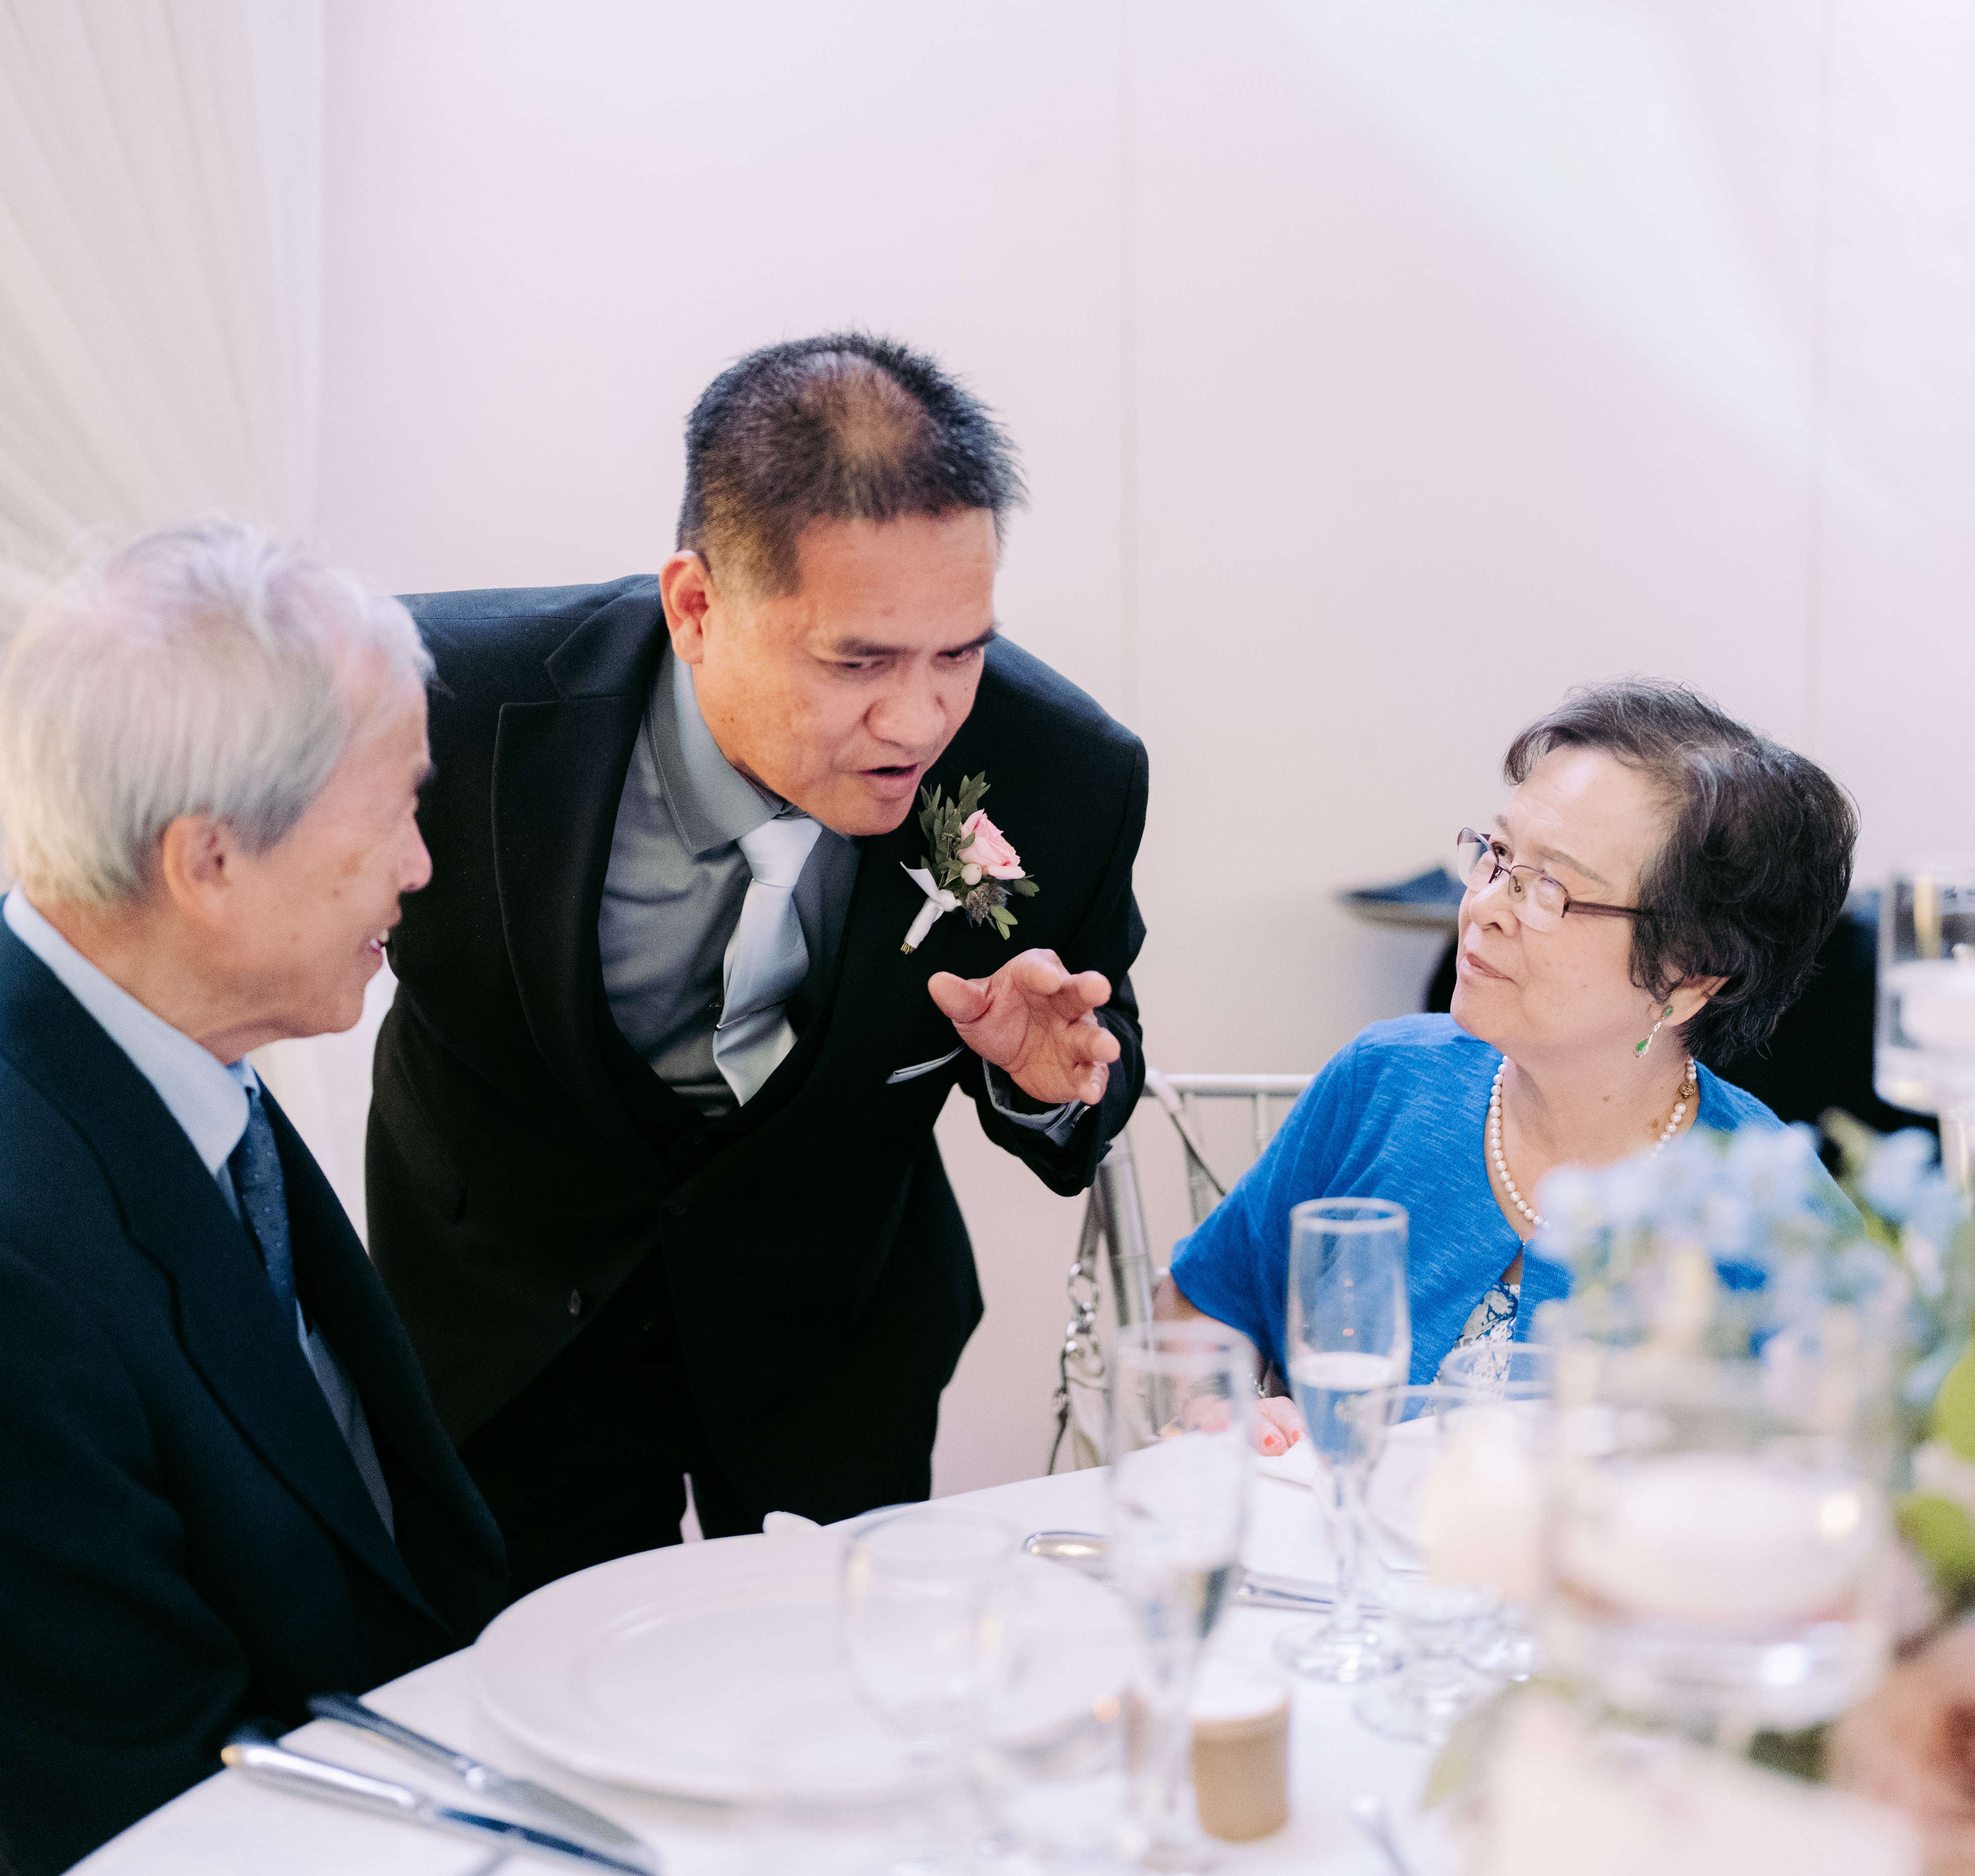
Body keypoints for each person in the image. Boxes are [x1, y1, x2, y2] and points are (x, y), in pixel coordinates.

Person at [0, 522, 508, 1876]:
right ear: (208, 865)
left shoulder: (156, 1031)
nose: (420, 864)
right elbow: (150, 1824)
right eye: (394, 812)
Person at [369, 333, 1149, 1596]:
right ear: (695, 607)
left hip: (826, 1342)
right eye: (859, 661)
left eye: (961, 652)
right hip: (499, 1327)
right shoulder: (435, 703)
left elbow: (1096, 1075)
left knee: (829, 1693)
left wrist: (1044, 1084)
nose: (920, 720)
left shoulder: (1066, 771)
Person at [1159, 680, 1862, 1442]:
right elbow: (1202, 1303)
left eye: (1550, 890)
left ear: (1691, 974)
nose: (1486, 907)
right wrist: (1226, 1410)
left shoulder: (1776, 1218)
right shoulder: (1384, 1081)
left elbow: (1854, 1466)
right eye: (1498, 855)